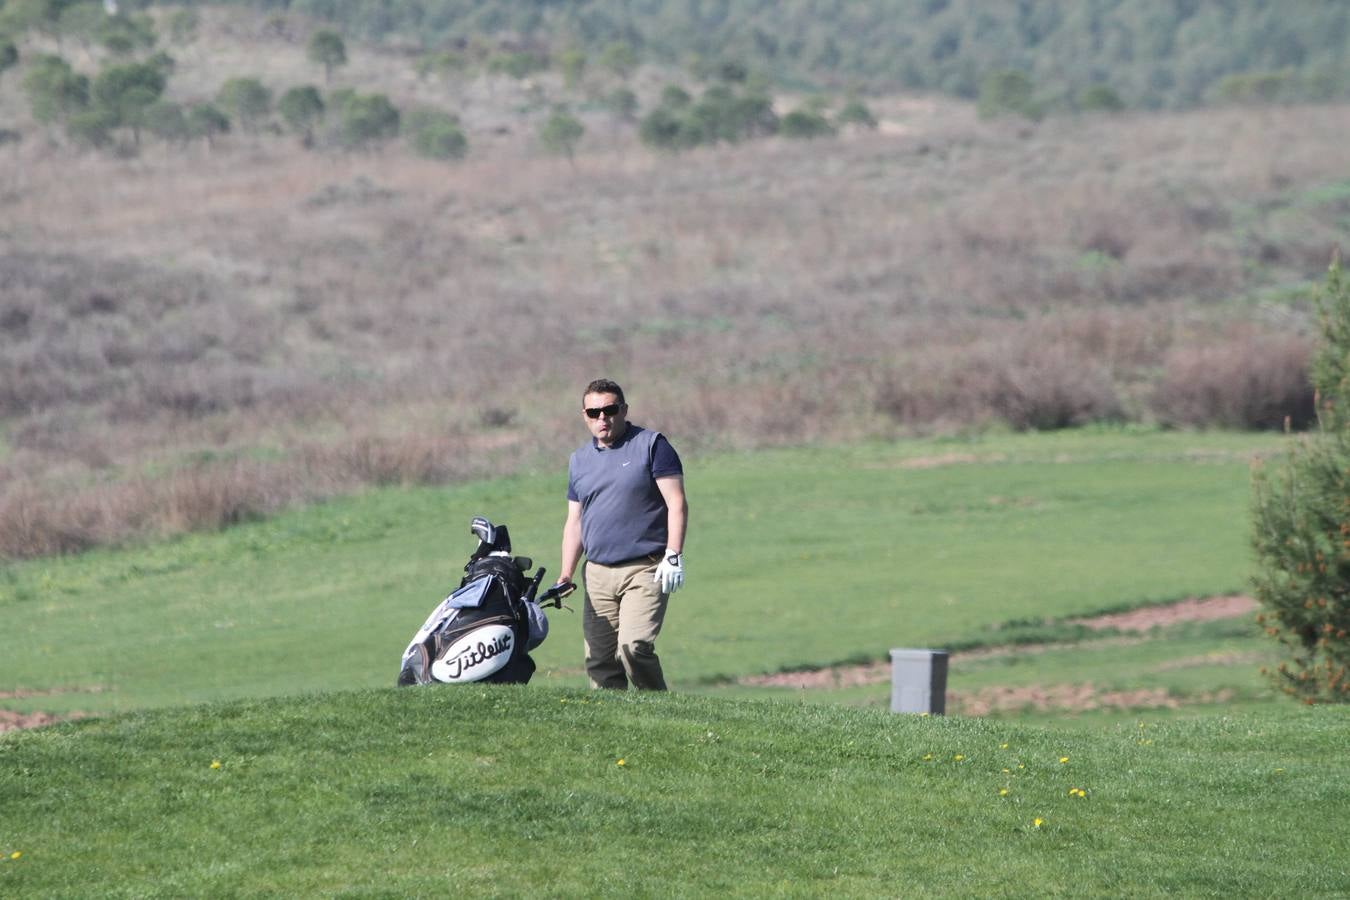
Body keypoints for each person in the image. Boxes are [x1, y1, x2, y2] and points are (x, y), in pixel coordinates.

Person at [557, 379, 688, 690]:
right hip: (598, 573)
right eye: (594, 412)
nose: (602, 418)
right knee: (600, 662)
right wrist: (566, 573)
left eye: (610, 410)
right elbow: (574, 521)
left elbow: (676, 502)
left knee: (634, 648)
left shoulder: (652, 445)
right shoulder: (579, 461)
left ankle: (658, 709)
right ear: (584, 415)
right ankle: (611, 725)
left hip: (645, 567)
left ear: (623, 410)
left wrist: (673, 554)